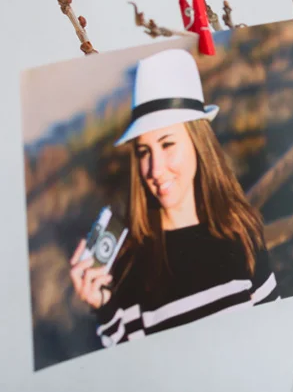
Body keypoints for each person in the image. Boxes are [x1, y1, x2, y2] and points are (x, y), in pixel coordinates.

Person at [68, 49, 279, 346]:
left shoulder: (241, 230)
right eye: (143, 151)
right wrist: (105, 309)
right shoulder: (129, 265)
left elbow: (275, 333)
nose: (154, 169)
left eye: (167, 144)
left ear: (197, 143)